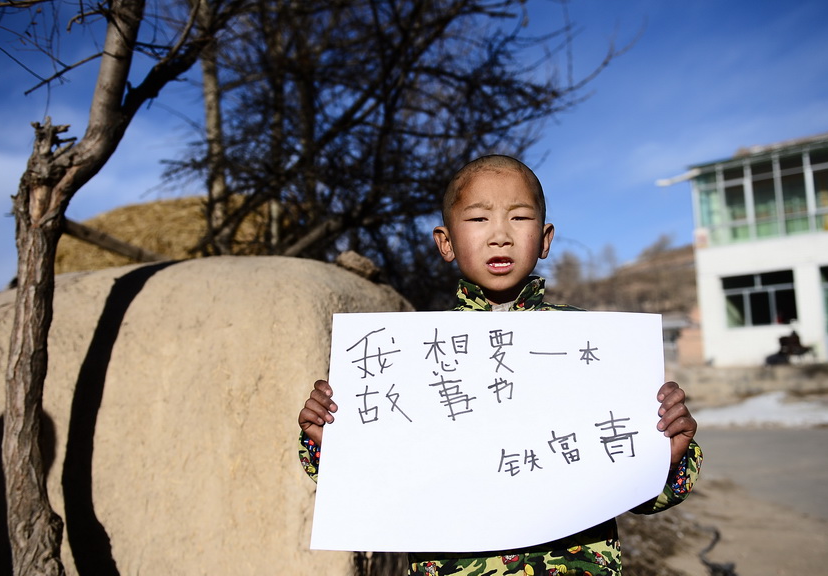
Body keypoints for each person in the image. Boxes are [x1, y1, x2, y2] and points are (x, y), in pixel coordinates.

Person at [297, 154, 702, 575]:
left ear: (545, 239)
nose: (500, 236)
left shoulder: (591, 346)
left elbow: (641, 495)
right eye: (478, 219)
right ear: (446, 242)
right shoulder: (411, 358)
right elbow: (381, 481)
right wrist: (330, 441)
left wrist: (666, 455)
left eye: (519, 217)